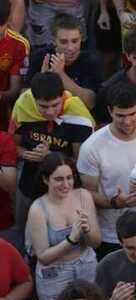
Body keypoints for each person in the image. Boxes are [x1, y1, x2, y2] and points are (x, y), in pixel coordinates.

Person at [77, 82, 136, 256]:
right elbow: (86, 193)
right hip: (112, 236)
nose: (127, 121)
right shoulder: (92, 147)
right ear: (109, 111)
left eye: (132, 114)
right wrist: (115, 203)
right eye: (120, 116)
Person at [26, 153, 100, 300]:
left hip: (85, 265)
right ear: (46, 180)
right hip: (55, 274)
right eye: (58, 179)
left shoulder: (83, 196)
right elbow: (43, 257)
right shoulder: (38, 209)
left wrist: (87, 230)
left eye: (69, 178)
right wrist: (72, 239)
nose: (66, 184)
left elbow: (96, 242)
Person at [10, 72, 94, 225]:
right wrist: (27, 153)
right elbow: (13, 144)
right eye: (43, 106)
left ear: (63, 96)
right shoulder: (23, 105)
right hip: (29, 178)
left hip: (67, 185)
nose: (50, 112)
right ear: (33, 99)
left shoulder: (77, 113)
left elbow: (82, 162)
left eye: (55, 105)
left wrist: (51, 157)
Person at [24, 12, 102, 110]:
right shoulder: (41, 57)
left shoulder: (91, 61)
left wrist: (61, 75)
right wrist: (43, 81)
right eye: (64, 42)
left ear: (81, 38)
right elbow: (24, 96)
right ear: (53, 41)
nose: (70, 48)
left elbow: (90, 103)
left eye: (75, 41)